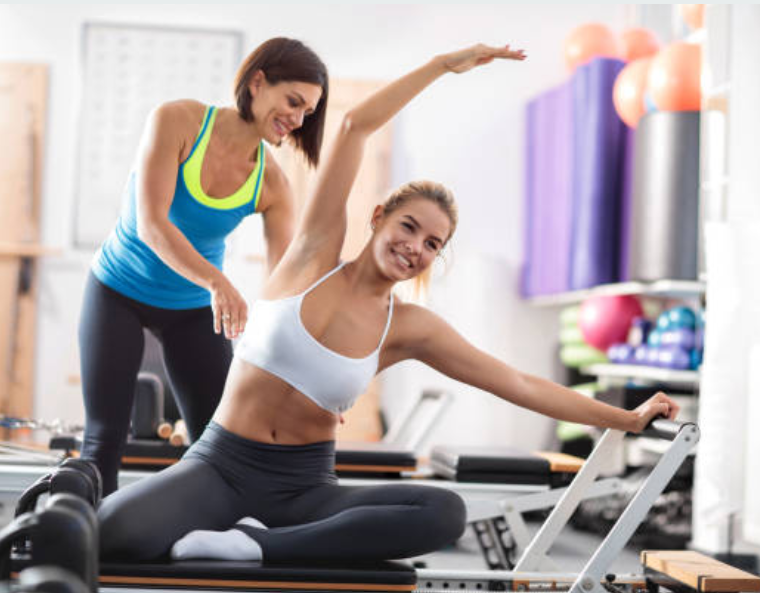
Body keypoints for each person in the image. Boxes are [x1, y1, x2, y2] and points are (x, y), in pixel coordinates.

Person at [98, 42, 679, 564]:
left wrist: (625, 419)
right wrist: (439, 66)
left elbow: (518, 384)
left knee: (443, 513)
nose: (414, 248)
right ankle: (250, 537)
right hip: (220, 466)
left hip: (304, 489)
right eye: (408, 227)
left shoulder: (408, 328)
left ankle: (255, 544)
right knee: (112, 531)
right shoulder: (311, 256)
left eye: (433, 244)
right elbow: (352, 126)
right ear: (377, 219)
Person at [79, 38, 329, 496]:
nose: (297, 119)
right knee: (103, 441)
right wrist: (219, 281)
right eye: (293, 101)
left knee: (216, 449)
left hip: (193, 311)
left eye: (308, 112)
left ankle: (198, 545)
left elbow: (284, 283)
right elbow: (152, 224)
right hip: (117, 290)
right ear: (258, 82)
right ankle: (94, 556)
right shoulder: (177, 120)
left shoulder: (272, 182)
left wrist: (310, 370)